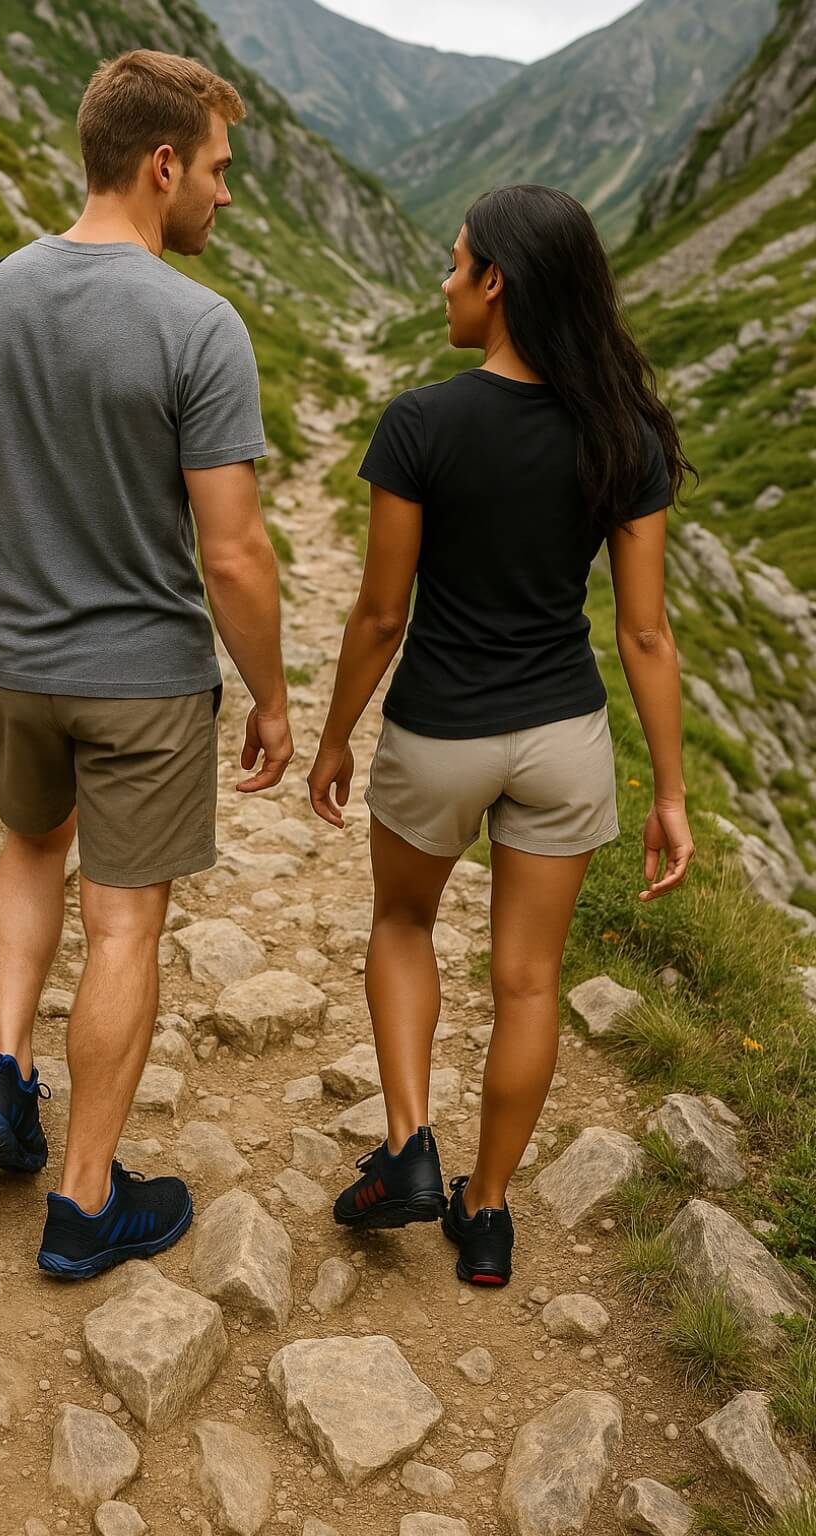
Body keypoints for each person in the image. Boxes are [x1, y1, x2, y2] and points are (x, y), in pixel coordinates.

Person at [0, 50, 293, 1281]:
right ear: (162, 163)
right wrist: (271, 694)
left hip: (11, 662)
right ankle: (84, 1201)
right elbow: (233, 555)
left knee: (28, 848)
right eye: (218, 170)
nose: (224, 195)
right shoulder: (198, 324)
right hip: (146, 683)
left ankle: (6, 1069)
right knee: (123, 926)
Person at [307, 184, 696, 1287]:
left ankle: (408, 1148)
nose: (444, 280)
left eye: (455, 261)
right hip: (563, 736)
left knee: (400, 920)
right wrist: (667, 791)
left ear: (497, 284)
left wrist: (336, 736)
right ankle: (484, 1216)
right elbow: (644, 634)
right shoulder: (624, 432)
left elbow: (381, 614)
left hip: (439, 733)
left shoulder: (422, 423)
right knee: (528, 982)